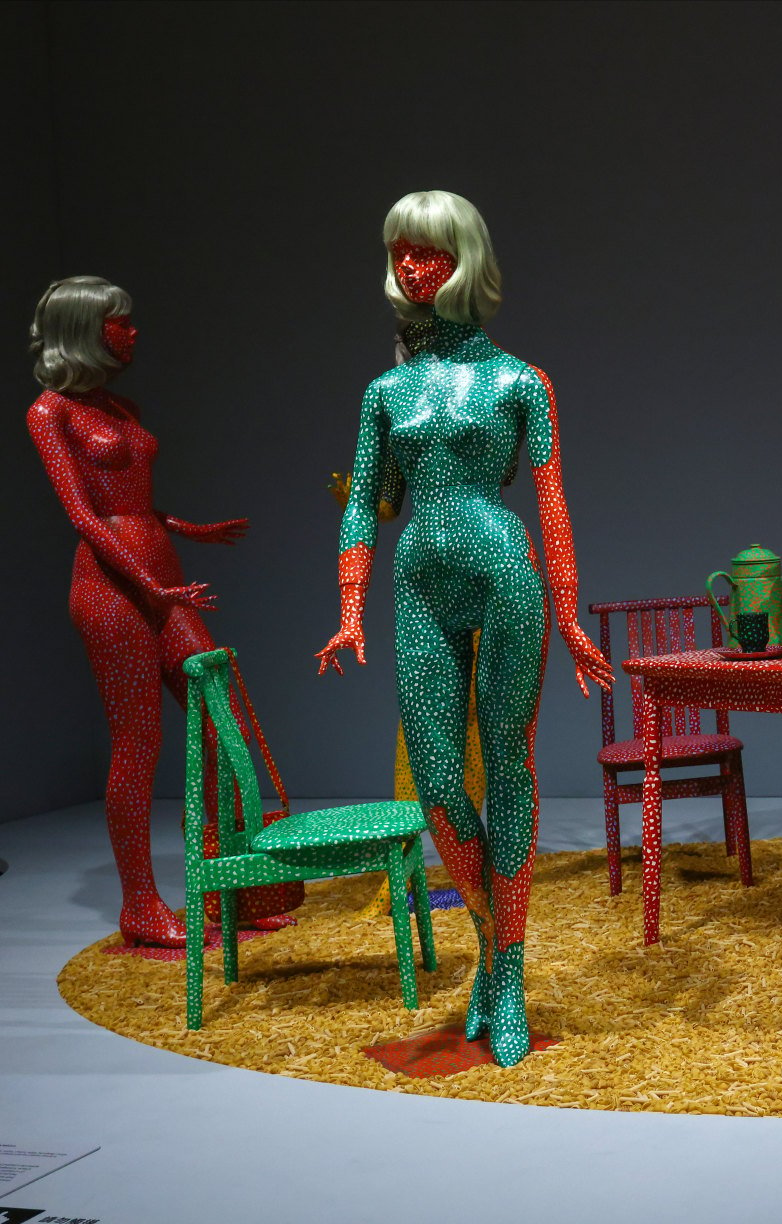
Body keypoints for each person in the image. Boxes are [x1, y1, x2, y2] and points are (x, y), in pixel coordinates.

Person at [316, 190, 614, 1067]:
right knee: (442, 784)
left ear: (466, 260)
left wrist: (567, 615)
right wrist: (346, 611)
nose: (414, 267)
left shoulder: (522, 381)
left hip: (503, 571)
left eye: (432, 252)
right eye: (403, 251)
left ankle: (509, 979)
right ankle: (493, 950)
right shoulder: (384, 393)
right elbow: (364, 511)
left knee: (508, 769)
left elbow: (554, 503)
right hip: (419, 584)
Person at [26, 276, 263, 946]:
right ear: (82, 328)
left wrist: (188, 531)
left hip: (162, 581)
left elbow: (132, 504)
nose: (132, 333)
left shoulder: (119, 406)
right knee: (139, 743)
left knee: (226, 722)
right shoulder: (50, 413)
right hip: (110, 589)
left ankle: (230, 888)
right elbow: (82, 515)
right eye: (119, 323)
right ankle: (139, 905)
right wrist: (146, 584)